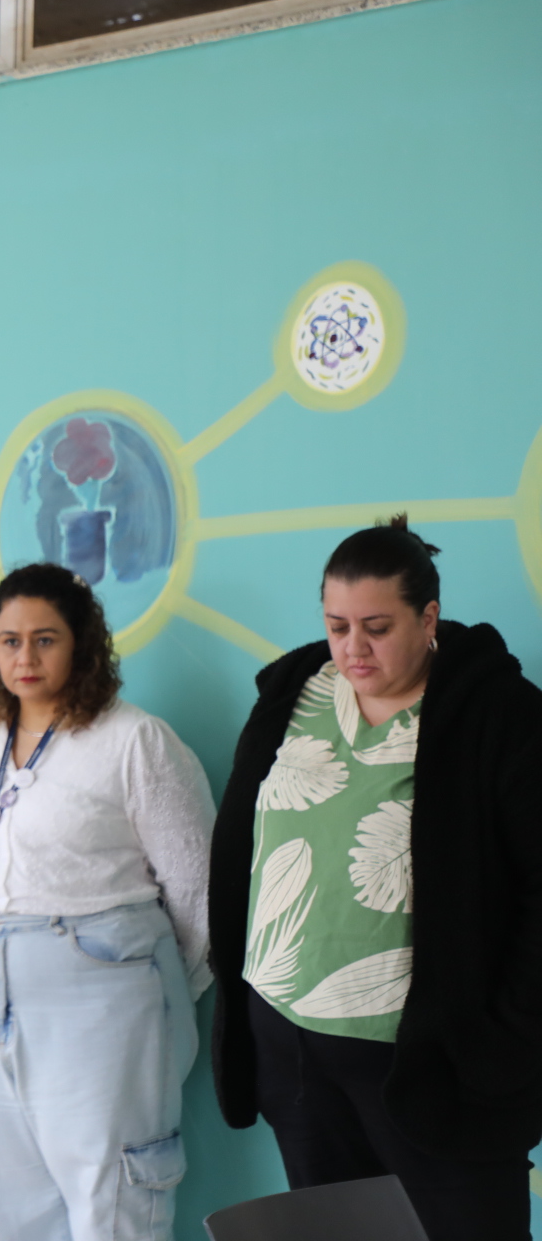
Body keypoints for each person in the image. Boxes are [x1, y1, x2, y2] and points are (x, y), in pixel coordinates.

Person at [209, 517, 542, 1240]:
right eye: (337, 626)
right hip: (291, 1045)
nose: (353, 648)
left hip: (430, 1060)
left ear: (429, 618)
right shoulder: (293, 693)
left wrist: (506, 1043)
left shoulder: (501, 715)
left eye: (377, 627)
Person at [0, 563, 214, 1241]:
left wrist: (155, 993)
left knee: (112, 1190)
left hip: (99, 985)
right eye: (10, 641)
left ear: (81, 644)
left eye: (45, 639)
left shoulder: (133, 740)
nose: (25, 658)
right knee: (1, 1191)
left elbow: (198, 888)